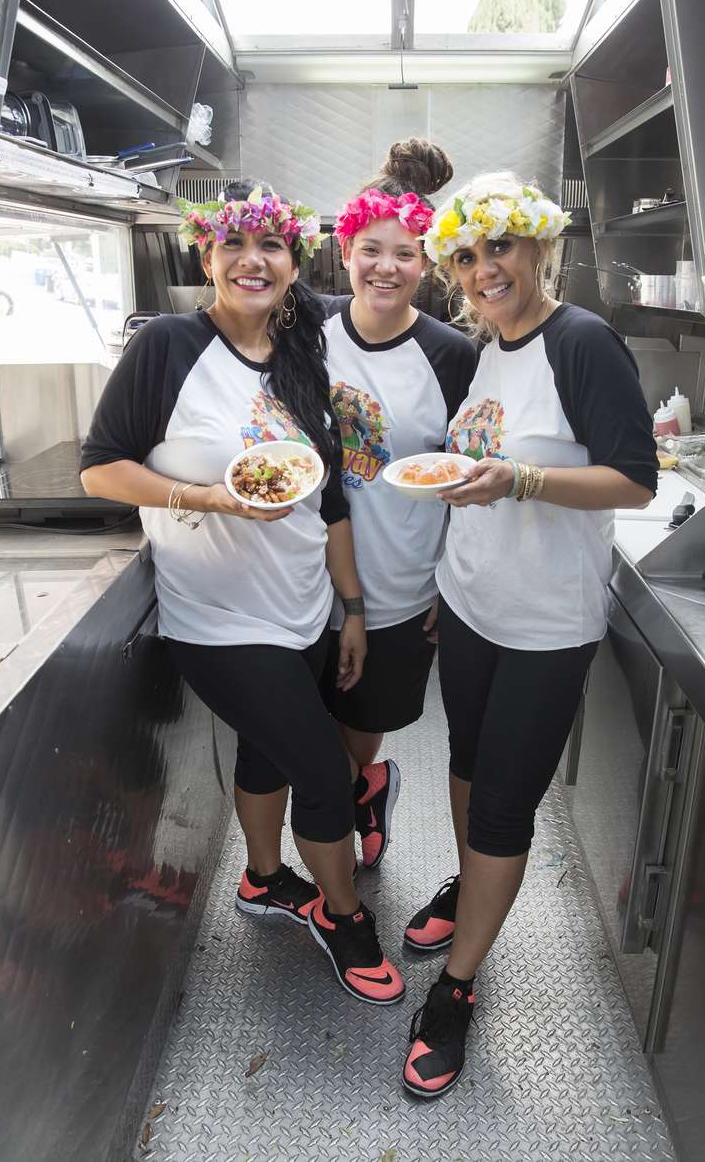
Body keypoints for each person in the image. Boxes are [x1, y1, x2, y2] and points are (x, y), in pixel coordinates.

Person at [80, 180, 405, 1006]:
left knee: (269, 751)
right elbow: (101, 465)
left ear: (295, 264)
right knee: (326, 777)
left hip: (301, 604)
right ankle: (340, 915)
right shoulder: (167, 348)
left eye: (271, 247)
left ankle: (263, 880)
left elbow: (327, 496)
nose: (253, 262)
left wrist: (353, 607)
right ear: (207, 255)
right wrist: (205, 498)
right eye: (235, 246)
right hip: (219, 617)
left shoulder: (303, 354)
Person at [400, 171, 659, 1095]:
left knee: (506, 804)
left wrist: (522, 482)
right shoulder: (485, 349)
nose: (483, 269)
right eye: (465, 257)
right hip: (471, 604)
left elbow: (635, 480)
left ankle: (458, 990)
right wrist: (448, 570)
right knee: (464, 765)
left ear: (538, 246)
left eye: (499, 246)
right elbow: (472, 469)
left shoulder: (582, 342)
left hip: (546, 624)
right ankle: (468, 890)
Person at [321, 139, 478, 869]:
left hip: (403, 579)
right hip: (298, 576)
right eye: (371, 249)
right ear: (344, 250)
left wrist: (453, 580)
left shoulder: (451, 355)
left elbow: (475, 477)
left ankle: (364, 785)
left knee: (362, 718)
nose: (386, 266)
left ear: (427, 264)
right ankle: (336, 805)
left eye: (406, 252)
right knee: (303, 723)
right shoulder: (302, 333)